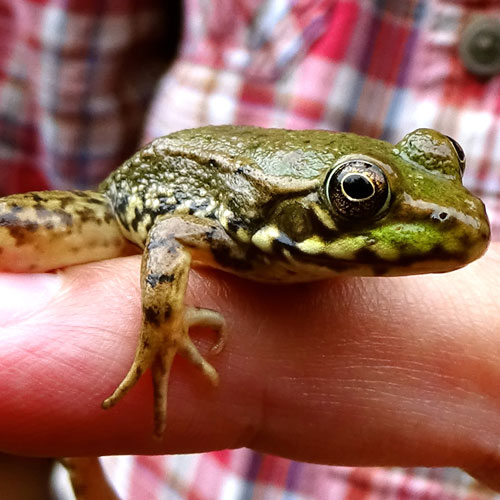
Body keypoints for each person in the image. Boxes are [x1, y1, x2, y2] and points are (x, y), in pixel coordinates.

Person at [1, 0, 500, 498]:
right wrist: (162, 330)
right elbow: (171, 232)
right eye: (360, 193)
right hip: (119, 205)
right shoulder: (236, 239)